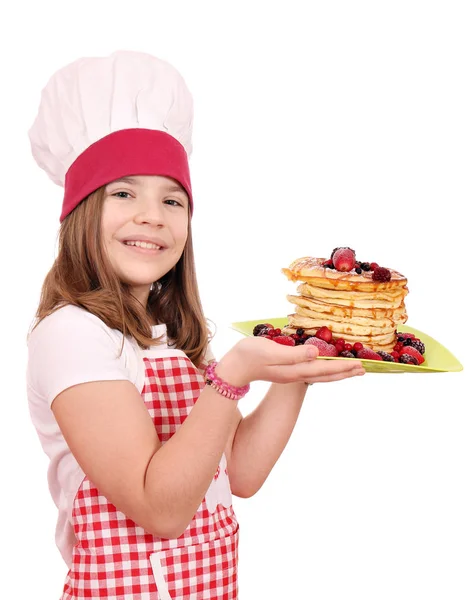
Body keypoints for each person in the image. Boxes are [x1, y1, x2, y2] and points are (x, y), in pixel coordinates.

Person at [26, 50, 365, 600]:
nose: (153, 215)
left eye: (173, 199)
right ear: (82, 211)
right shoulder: (72, 334)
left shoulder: (173, 338)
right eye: (123, 193)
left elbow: (241, 473)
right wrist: (232, 374)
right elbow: (161, 508)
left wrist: (301, 362)